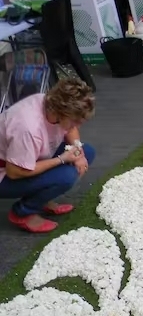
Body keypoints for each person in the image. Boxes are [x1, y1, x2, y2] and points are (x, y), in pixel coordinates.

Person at [0, 79, 96, 234]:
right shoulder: (28, 128)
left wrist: (78, 153)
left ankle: (42, 197)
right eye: (75, 121)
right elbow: (15, 171)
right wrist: (61, 159)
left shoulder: (49, 103)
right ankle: (22, 213)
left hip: (27, 156)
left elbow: (70, 131)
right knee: (66, 175)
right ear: (62, 113)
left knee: (87, 152)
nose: (77, 126)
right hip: (6, 173)